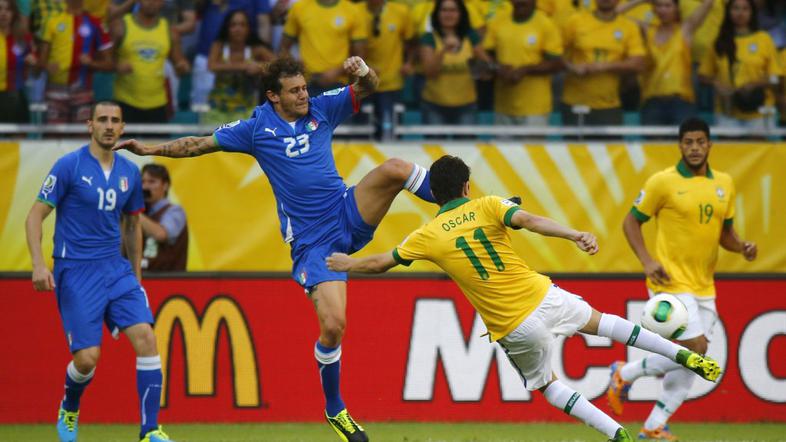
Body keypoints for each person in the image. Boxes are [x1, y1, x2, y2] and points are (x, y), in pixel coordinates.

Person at [114, 56, 438, 442]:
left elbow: (369, 87)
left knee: (397, 168)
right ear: (273, 96)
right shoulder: (255, 129)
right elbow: (197, 144)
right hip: (313, 242)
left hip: (347, 211)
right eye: (295, 91)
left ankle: (459, 207)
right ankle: (335, 409)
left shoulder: (321, 108)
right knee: (333, 325)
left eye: (304, 87)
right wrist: (150, 149)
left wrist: (364, 71)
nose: (304, 95)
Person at [325, 154, 721, 442]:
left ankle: (616, 433)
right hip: (543, 295)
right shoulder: (488, 205)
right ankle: (680, 353)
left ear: (434, 192)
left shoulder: (426, 235)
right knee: (604, 323)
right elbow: (530, 222)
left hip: (513, 327)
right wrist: (574, 235)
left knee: (548, 386)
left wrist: (346, 263)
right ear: (466, 186)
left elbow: (381, 263)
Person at [24, 101, 173, 442]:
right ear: (90, 125)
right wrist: (37, 263)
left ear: (122, 129)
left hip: (116, 270)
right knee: (88, 359)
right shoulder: (69, 166)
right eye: (102, 120)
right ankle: (70, 405)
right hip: (75, 270)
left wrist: (135, 276)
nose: (109, 126)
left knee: (147, 339)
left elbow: (132, 225)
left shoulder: (129, 173)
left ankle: (150, 431)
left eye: (115, 121)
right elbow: (34, 216)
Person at [610, 117, 757, 440]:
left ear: (709, 145)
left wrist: (742, 246)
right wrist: (647, 261)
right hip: (670, 281)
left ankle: (652, 426)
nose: (694, 148)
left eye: (700, 142)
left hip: (704, 285)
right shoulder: (662, 182)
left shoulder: (725, 184)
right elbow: (630, 222)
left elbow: (725, 234)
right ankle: (629, 374)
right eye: (688, 142)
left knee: (696, 358)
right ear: (679, 145)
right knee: (697, 348)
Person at [618, 0, 715, 126]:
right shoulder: (647, 30)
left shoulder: (685, 30)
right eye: (659, 5)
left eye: (668, 6)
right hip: (652, 103)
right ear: (654, 9)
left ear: (676, 9)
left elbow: (708, 3)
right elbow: (614, 14)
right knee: (653, 146)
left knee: (683, 145)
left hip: (682, 103)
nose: (663, 10)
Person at [698, 0, 783, 129]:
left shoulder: (763, 39)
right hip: (727, 112)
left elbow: (776, 77)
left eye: (745, 9)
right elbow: (703, 75)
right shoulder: (719, 41)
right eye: (736, 8)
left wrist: (754, 84)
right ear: (728, 12)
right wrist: (717, 84)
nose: (740, 13)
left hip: (759, 113)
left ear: (752, 12)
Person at [560, 0, 645, 126]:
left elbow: (638, 64)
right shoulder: (575, 21)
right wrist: (572, 68)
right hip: (575, 104)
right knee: (574, 146)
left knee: (611, 146)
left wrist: (603, 66)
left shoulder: (629, 27)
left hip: (609, 106)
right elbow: (554, 54)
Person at [483, 0, 563, 126]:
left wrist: (525, 70)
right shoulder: (497, 22)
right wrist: (497, 68)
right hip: (504, 107)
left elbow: (557, 64)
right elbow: (486, 57)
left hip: (535, 110)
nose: (520, 1)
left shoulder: (546, 24)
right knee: (501, 147)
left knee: (533, 147)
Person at [111, 0, 190, 123]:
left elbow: (180, 64)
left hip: (158, 104)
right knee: (124, 143)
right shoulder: (121, 26)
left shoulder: (169, 31)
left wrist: (182, 67)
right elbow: (103, 60)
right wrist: (116, 66)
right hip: (125, 102)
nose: (152, 2)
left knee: (158, 143)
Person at [280, 0, 368, 96]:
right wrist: (295, 67)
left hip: (338, 83)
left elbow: (360, 54)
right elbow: (283, 48)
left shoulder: (352, 11)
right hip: (305, 84)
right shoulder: (299, 7)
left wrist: (339, 71)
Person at [419, 0, 485, 125]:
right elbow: (429, 72)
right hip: (434, 105)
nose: (448, 14)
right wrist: (444, 50)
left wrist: (479, 65)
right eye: (444, 10)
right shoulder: (428, 37)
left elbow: (486, 65)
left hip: (466, 105)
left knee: (467, 145)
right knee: (435, 145)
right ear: (437, 14)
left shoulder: (471, 36)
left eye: (453, 10)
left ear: (461, 13)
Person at [206, 9, 275, 125]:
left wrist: (260, 67)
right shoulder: (219, 46)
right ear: (227, 28)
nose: (238, 29)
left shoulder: (256, 49)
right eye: (233, 25)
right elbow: (211, 66)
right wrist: (245, 66)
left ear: (248, 28)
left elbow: (278, 65)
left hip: (246, 109)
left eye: (242, 25)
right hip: (218, 109)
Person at [140, 163, 188, 271]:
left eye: (151, 181)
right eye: (142, 182)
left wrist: (134, 211)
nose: (145, 187)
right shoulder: (144, 212)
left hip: (169, 282)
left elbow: (160, 234)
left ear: (165, 185)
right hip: (144, 279)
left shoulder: (175, 211)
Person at [0, 0, 35, 123]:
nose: (3, 13)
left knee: (18, 139)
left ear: (14, 13)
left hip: (15, 97)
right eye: (0, 9)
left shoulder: (23, 37)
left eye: (7, 10)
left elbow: (35, 69)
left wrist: (32, 62)